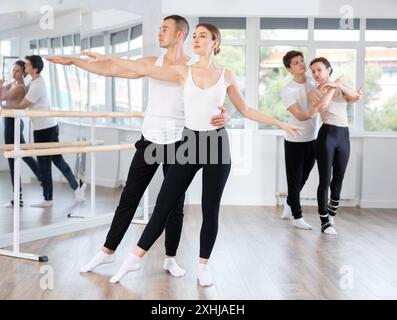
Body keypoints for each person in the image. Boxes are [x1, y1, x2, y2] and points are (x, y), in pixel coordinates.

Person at [85, 23, 303, 286]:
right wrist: (108, 57)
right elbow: (142, 68)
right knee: (164, 203)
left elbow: (246, 110)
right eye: (195, 36)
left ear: (216, 43)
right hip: (189, 143)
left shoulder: (227, 75)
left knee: (209, 209)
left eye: (203, 36)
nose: (196, 40)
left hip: (217, 147)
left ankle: (203, 266)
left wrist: (281, 124)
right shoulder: (181, 71)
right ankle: (134, 259)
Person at [48, 15, 231, 277]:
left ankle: (170, 258)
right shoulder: (151, 62)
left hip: (181, 141)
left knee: (173, 205)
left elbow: (216, 98)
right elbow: (112, 70)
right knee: (129, 197)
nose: (159, 33)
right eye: (159, 29)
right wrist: (76, 62)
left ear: (180, 34)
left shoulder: (195, 66)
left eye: (165, 29)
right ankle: (107, 251)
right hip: (150, 139)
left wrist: (226, 116)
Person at [3, 55, 86, 207]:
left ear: (34, 69)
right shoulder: (33, 82)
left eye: (27, 66)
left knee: (52, 161)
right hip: (42, 128)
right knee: (48, 163)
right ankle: (54, 196)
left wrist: (3, 108)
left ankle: (68, 189)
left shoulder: (37, 85)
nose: (25, 67)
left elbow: (22, 105)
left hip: (46, 129)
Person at [308, 57, 362, 235]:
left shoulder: (338, 88)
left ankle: (332, 214)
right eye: (313, 71)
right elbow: (323, 105)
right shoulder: (314, 92)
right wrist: (333, 86)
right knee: (325, 179)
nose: (316, 74)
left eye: (319, 70)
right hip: (327, 136)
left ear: (329, 69)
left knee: (338, 178)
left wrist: (338, 85)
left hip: (343, 135)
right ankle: (324, 221)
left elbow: (355, 97)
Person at [280, 51, 326, 229]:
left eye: (301, 61)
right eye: (296, 63)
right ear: (289, 69)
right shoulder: (288, 90)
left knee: (303, 178)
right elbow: (299, 115)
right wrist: (316, 110)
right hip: (294, 141)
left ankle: (289, 202)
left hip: (312, 140)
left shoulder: (313, 82)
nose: (301, 64)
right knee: (294, 179)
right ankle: (297, 216)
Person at [0, 60, 41, 207]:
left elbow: (3, 100)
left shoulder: (20, 88)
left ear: (23, 72)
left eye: (17, 71)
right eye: (13, 70)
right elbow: (3, 99)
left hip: (13, 124)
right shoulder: (12, 84)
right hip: (9, 122)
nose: (14, 73)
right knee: (21, 156)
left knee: (15, 157)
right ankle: (19, 196)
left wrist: (1, 90)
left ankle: (19, 196)